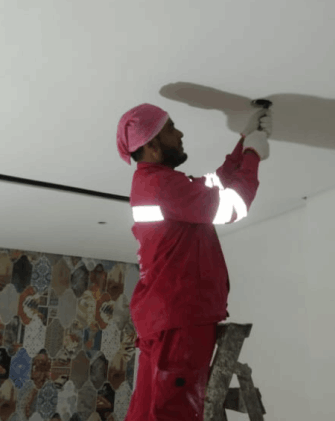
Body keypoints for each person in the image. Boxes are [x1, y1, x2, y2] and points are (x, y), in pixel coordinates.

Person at [116, 103, 272, 421]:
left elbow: (213, 184)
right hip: (180, 314)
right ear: (152, 144)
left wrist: (244, 142)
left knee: (147, 410)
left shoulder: (158, 183)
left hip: (165, 314)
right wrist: (254, 155)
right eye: (171, 128)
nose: (180, 133)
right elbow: (233, 205)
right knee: (174, 413)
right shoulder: (163, 186)